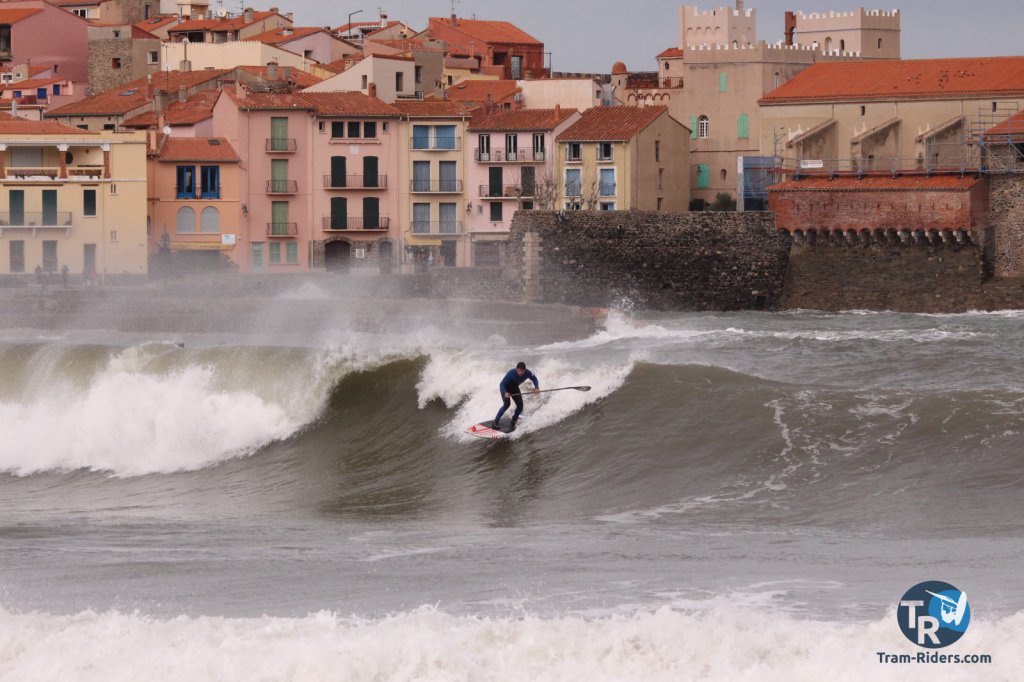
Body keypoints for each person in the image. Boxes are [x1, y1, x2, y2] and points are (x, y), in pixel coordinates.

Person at [494, 362, 540, 431]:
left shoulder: (528, 373)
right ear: (516, 369)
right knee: (507, 405)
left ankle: (514, 421)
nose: (520, 372)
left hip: (514, 388)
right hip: (505, 388)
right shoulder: (511, 373)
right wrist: (505, 392)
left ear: (525, 370)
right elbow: (502, 384)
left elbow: (534, 379)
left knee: (520, 406)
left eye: (522, 371)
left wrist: (536, 387)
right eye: (519, 370)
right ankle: (495, 422)